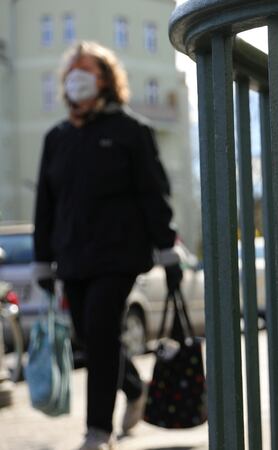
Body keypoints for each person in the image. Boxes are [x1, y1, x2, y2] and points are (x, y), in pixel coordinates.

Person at [32, 41, 183, 450]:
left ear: (106, 81)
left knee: (100, 327)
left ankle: (98, 431)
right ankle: (134, 388)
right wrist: (42, 260)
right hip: (72, 256)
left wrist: (167, 249)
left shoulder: (131, 130)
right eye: (72, 71)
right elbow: (45, 203)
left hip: (119, 255)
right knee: (92, 336)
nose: (76, 77)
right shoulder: (57, 138)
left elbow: (154, 193)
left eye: (87, 70)